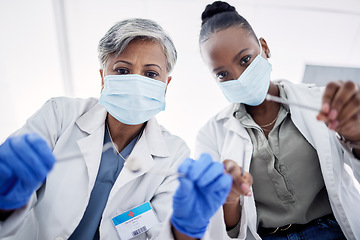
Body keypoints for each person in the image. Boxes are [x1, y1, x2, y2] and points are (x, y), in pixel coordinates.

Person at [175, 1, 360, 240]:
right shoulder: (211, 135)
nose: (239, 78)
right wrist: (230, 197)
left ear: (264, 48)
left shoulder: (319, 101)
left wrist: (355, 136)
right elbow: (226, 228)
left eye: (245, 60)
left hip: (335, 231)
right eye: (222, 74)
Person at [0, 18, 191, 240]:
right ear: (103, 78)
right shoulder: (59, 115)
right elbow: (10, 203)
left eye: (150, 74)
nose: (136, 83)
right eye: (122, 70)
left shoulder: (175, 155)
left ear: (166, 85)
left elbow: (163, 235)